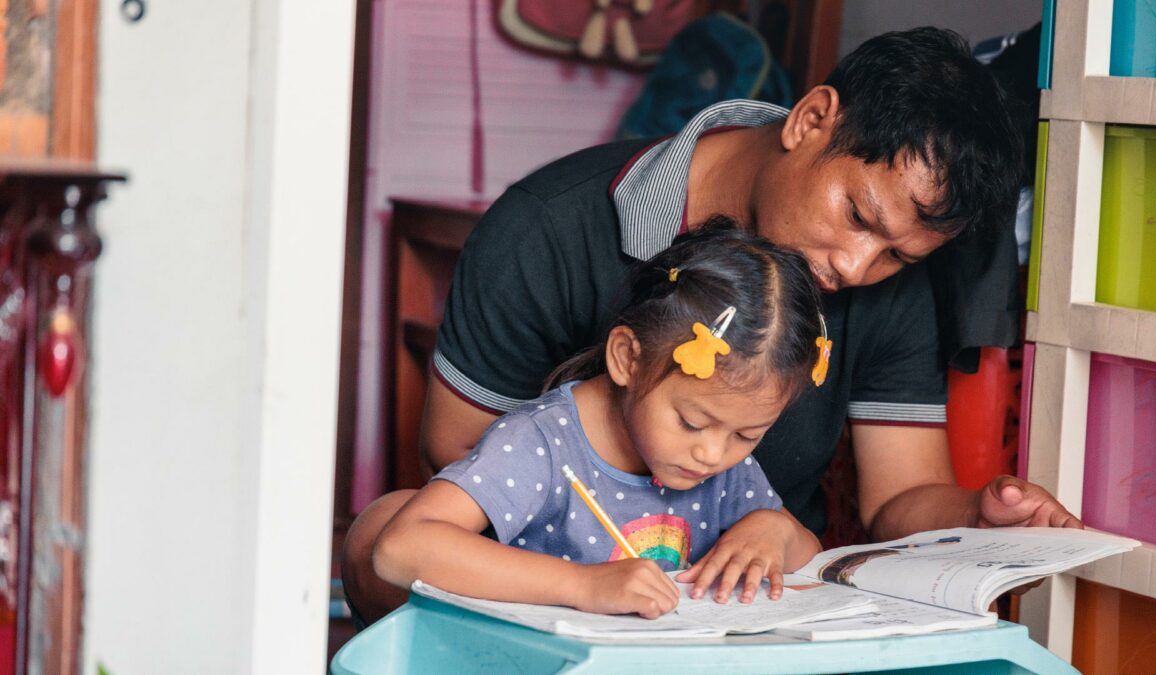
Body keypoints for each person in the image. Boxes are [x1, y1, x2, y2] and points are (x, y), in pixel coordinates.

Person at [344, 27, 1082, 625]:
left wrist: (978, 517)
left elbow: (900, 497)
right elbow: (456, 455)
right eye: (858, 217)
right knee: (385, 532)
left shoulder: (881, 290)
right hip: (557, 558)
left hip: (729, 592)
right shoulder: (548, 229)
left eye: (896, 255)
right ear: (811, 119)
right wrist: (593, 562)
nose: (857, 267)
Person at [371, 224, 825, 618]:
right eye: (690, 422)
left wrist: (775, 530)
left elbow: (811, 561)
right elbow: (401, 548)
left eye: (748, 435)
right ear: (628, 358)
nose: (712, 454)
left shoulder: (724, 465)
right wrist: (582, 585)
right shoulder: (543, 444)